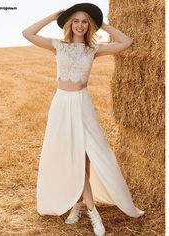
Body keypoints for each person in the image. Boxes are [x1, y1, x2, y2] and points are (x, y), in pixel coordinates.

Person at [22, 3, 145, 236]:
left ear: (90, 26)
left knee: (87, 158)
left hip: (82, 104)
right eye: (76, 20)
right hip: (62, 104)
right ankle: (91, 211)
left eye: (85, 21)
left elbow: (126, 42)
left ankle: (78, 206)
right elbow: (27, 33)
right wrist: (53, 16)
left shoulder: (93, 50)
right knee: (74, 156)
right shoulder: (57, 46)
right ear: (70, 24)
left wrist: (102, 23)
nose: (80, 25)